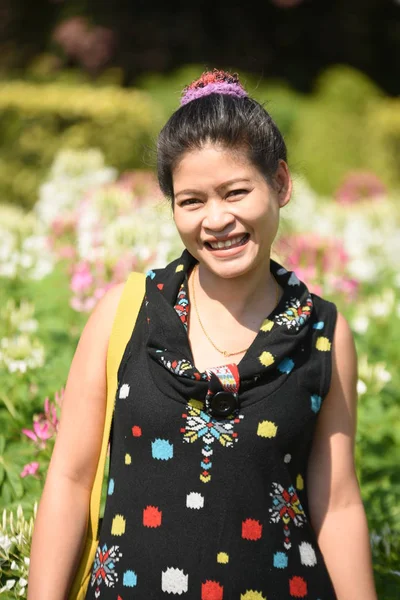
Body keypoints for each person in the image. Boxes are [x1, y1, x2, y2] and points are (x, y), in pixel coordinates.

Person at [28, 69, 378, 599]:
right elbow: (70, 481)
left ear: (279, 184)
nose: (217, 220)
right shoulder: (125, 313)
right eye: (191, 201)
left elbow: (339, 503)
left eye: (236, 192)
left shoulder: (322, 333)